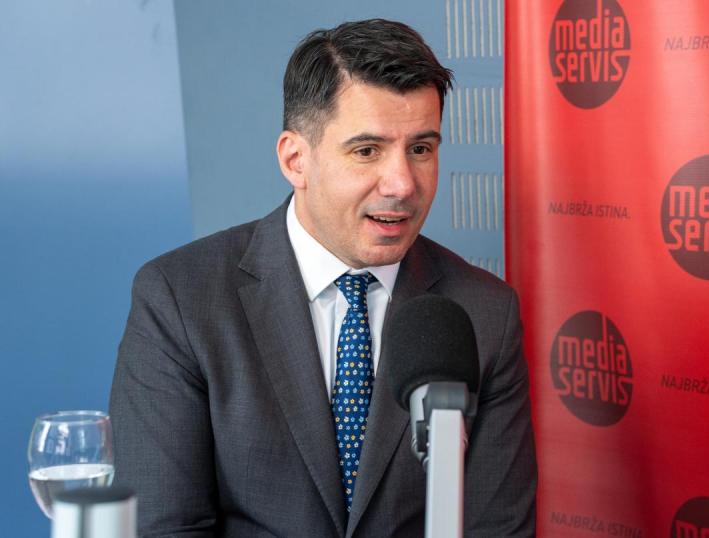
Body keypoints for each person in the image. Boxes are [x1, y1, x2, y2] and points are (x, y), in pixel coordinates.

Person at [110, 18, 536, 537]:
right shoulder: (180, 299)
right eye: (367, 151)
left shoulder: (484, 313)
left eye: (421, 149)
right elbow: (163, 528)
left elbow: (497, 529)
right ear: (296, 160)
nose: (402, 184)